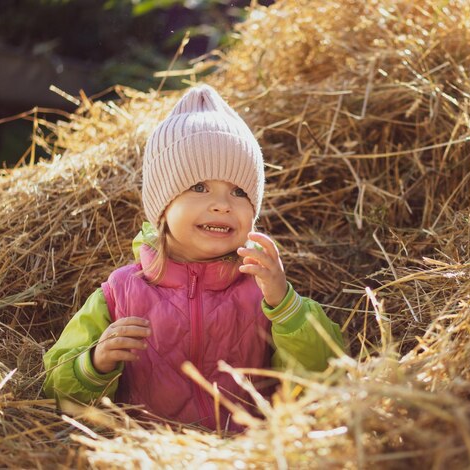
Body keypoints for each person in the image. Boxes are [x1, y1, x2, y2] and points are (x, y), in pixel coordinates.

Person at [43, 85, 345, 432]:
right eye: (199, 187)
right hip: (152, 456)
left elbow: (327, 378)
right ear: (164, 206)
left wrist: (286, 306)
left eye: (239, 192)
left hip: (248, 455)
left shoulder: (263, 289)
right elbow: (55, 393)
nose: (221, 204)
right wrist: (94, 365)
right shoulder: (120, 293)